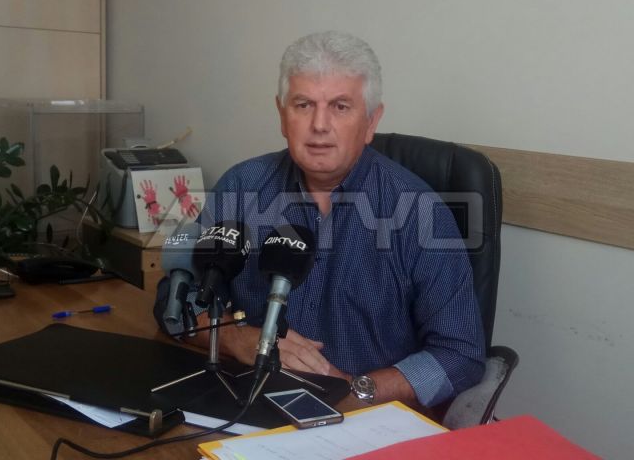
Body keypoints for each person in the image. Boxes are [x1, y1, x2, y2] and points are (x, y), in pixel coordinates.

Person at [190, 31, 485, 410]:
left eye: (340, 107)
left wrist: (355, 389)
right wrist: (235, 338)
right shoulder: (240, 187)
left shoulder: (419, 211)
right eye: (303, 105)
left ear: (371, 121)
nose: (319, 124)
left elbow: (460, 354)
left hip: (366, 418)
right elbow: (178, 302)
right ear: (282, 115)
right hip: (248, 402)